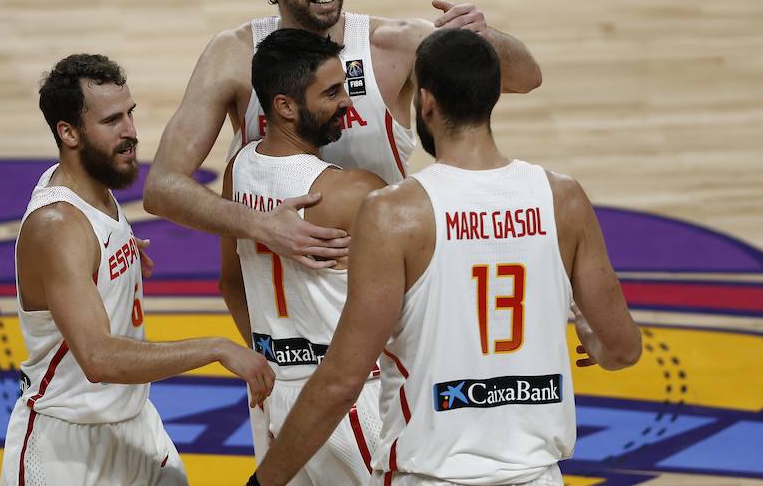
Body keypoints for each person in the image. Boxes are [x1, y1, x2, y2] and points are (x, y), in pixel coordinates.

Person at [248, 29, 643, 486]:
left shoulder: (394, 213)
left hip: (431, 475)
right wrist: (593, 336)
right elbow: (622, 349)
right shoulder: (564, 199)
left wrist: (265, 481)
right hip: (535, 475)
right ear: (490, 96)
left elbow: (341, 381)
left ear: (428, 103)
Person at [143, 0, 543, 269]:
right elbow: (162, 187)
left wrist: (486, 36)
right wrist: (261, 224)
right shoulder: (233, 55)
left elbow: (526, 78)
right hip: (285, 313)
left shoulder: (393, 45)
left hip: (384, 285)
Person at [0, 54, 274, 486]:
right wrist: (217, 348)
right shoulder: (57, 226)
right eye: (111, 121)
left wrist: (116, 259)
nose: (130, 132)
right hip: (69, 451)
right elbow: (99, 358)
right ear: (68, 132)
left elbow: (89, 251)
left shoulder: (94, 191)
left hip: (136, 426)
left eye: (129, 114)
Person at [220, 29, 387, 484]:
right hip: (351, 400)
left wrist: (271, 356)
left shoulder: (239, 169)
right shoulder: (353, 191)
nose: (348, 104)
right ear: (285, 106)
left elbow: (230, 284)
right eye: (331, 92)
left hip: (277, 395)